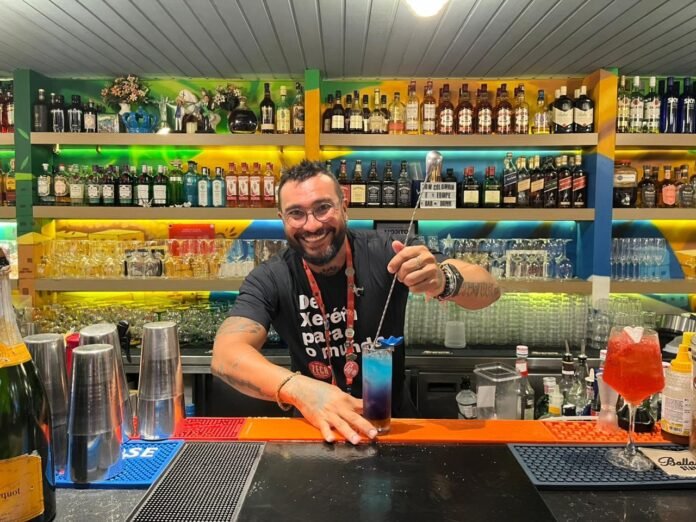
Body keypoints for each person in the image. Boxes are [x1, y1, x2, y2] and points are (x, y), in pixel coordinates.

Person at [212, 159, 500, 444]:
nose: (311, 225)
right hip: (316, 430)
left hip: (391, 427)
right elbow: (225, 355)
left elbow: (490, 289)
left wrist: (444, 280)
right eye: (296, 213)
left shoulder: (387, 252)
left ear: (344, 207)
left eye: (323, 208)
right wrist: (299, 389)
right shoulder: (271, 277)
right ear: (282, 219)